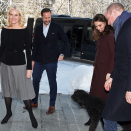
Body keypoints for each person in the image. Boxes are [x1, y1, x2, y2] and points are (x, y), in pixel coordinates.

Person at [0, 5, 38, 128]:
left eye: (16, 15)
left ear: (20, 16)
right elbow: (1, 48)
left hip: (19, 63)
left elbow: (28, 50)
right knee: (7, 89)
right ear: (8, 16)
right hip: (5, 63)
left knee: (24, 90)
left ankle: (31, 115)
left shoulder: (24, 30)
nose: (13, 17)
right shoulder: (4, 29)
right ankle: (8, 112)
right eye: (11, 14)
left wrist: (29, 68)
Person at [29, 8, 69, 114]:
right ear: (42, 16)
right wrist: (32, 60)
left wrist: (62, 54)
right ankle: (34, 101)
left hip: (51, 60)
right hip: (39, 59)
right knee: (35, 80)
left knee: (52, 82)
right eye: (45, 17)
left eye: (49, 17)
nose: (47, 19)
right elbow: (35, 45)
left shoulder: (57, 27)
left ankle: (52, 105)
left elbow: (66, 41)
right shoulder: (37, 28)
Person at [102, 2, 131, 131]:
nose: (108, 23)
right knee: (110, 116)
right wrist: (112, 76)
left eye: (108, 18)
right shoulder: (123, 25)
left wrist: (130, 89)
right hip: (121, 80)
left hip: (127, 83)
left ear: (114, 12)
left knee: (109, 117)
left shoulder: (129, 27)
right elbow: (122, 57)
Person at [86, 14, 115, 125]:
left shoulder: (110, 35)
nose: (98, 28)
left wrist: (110, 73)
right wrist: (94, 64)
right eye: (96, 26)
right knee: (94, 93)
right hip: (98, 69)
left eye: (100, 25)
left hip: (105, 71)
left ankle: (103, 118)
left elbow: (114, 55)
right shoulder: (101, 35)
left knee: (103, 95)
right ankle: (93, 117)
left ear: (105, 22)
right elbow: (98, 52)